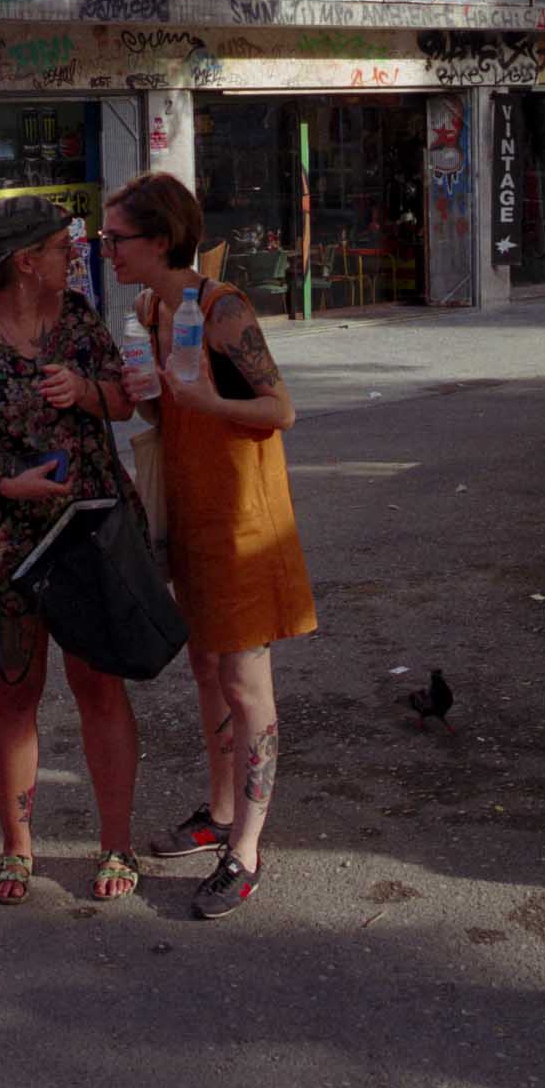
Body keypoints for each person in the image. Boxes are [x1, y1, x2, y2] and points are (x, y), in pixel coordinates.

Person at [0, 195, 142, 907]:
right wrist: (1, 482)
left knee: (99, 686)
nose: (73, 257)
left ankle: (116, 841)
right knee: (15, 691)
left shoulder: (76, 316)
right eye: (61, 248)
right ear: (26, 262)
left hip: (86, 529)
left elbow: (123, 402)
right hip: (3, 533)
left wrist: (84, 391)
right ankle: (17, 844)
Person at [105, 171, 316, 921]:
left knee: (246, 684)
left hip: (242, 526)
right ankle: (221, 813)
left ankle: (247, 849)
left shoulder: (223, 309)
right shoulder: (155, 308)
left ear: (159, 240)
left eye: (116, 238)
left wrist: (207, 402)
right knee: (205, 670)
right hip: (191, 518)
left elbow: (280, 408)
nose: (107, 250)